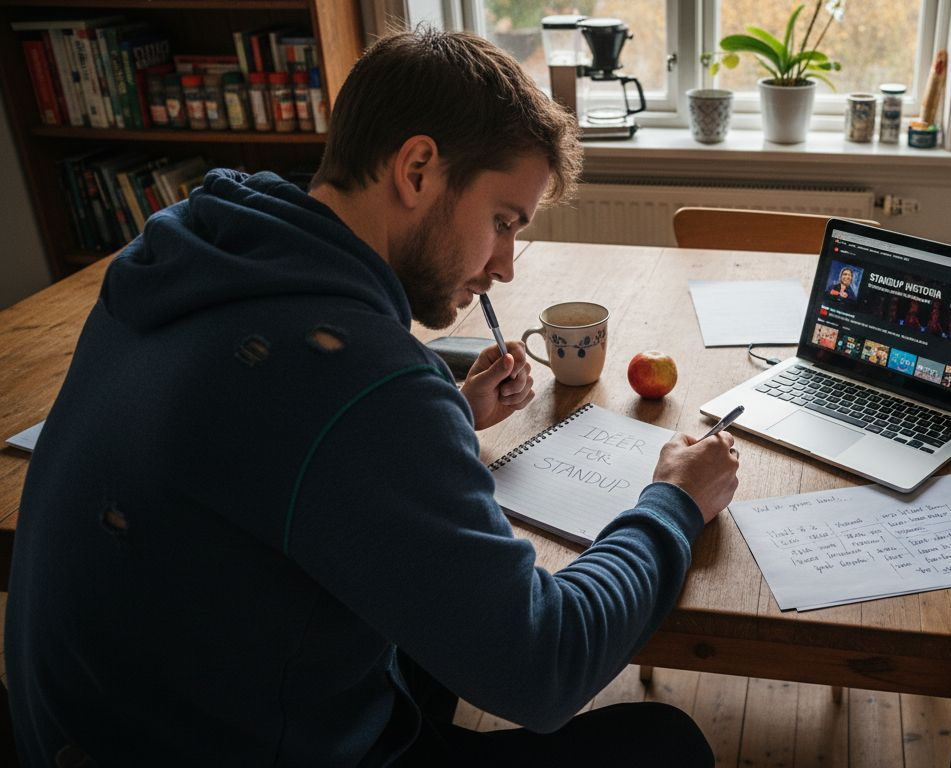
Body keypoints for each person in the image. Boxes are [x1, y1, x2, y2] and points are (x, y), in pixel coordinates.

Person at [6, 29, 739, 767]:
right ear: (417, 168)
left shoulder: (186, 253)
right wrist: (673, 501)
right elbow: (544, 667)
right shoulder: (359, 381)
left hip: (93, 729)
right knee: (666, 745)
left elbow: (269, 437)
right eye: (503, 222)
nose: (506, 266)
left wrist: (448, 411)